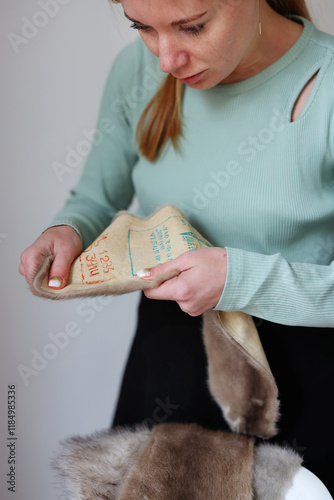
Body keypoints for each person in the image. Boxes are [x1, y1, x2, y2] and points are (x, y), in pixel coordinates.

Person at [19, 0, 334, 494]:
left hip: (303, 380)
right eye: (143, 27)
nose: (166, 60)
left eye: (192, 27)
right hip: (170, 362)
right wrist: (70, 229)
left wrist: (236, 279)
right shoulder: (135, 72)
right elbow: (96, 197)